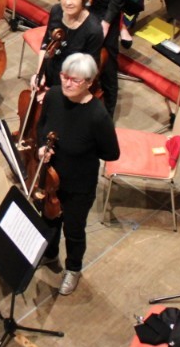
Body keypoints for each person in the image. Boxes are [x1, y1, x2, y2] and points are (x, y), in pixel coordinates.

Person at [35, 54, 119, 295]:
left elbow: (111, 153)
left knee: (73, 229)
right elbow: (41, 127)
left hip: (79, 184)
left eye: (75, 80)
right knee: (49, 219)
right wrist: (41, 147)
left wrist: (82, 152)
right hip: (51, 177)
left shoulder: (97, 116)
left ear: (89, 82)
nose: (67, 83)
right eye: (64, 76)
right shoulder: (53, 96)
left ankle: (73, 269)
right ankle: (50, 254)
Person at [32, 0, 105, 93]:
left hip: (72, 86)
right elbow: (45, 44)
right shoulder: (56, 11)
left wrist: (55, 94)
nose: (68, 2)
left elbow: (87, 73)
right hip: (50, 74)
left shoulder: (93, 30)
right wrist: (39, 74)